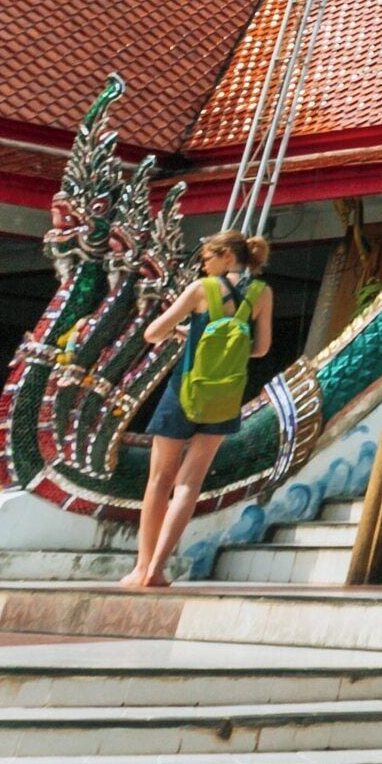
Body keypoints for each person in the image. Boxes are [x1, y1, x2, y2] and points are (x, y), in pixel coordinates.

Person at [118, 232, 271, 589]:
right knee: (189, 483)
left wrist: (189, 335)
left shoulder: (203, 289)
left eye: (207, 257)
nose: (203, 265)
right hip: (225, 397)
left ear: (226, 257)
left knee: (159, 482)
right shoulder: (262, 293)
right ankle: (159, 568)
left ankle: (142, 567)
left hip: (184, 391)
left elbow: (153, 333)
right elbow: (261, 348)